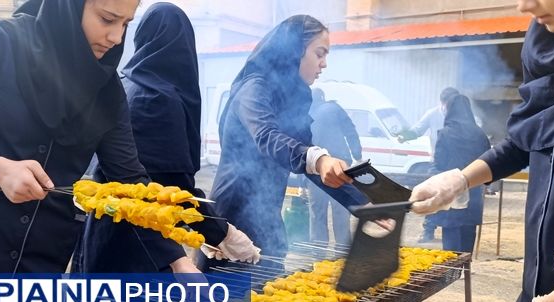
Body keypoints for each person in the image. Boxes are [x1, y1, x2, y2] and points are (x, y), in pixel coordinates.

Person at [0, 0, 149, 302]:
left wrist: (182, 253)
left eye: (126, 24)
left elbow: (131, 182)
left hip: (40, 266)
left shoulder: (106, 89)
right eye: (107, 19)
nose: (116, 38)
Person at [410, 1, 554, 302]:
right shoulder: (543, 46)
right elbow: (524, 139)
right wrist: (460, 179)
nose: (524, 5)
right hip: (541, 291)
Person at [74, 2, 260, 274]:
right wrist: (220, 232)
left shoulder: (125, 85)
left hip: (105, 232)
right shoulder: (157, 99)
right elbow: (166, 187)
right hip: (137, 247)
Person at [205, 15, 367, 273]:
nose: (324, 64)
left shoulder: (291, 99)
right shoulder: (254, 89)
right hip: (231, 224)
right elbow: (267, 136)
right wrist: (319, 159)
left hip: (266, 220)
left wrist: (362, 204)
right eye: (319, 53)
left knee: (265, 299)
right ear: (294, 51)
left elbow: (310, 163)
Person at [427, 94, 490, 252]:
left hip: (451, 190)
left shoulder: (445, 133)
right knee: (468, 232)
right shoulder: (480, 134)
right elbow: (488, 162)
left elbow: (438, 164)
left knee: (451, 232)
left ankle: (453, 271)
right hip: (473, 190)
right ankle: (465, 270)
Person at [398, 87, 460, 243]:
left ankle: (453, 230)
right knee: (433, 195)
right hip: (438, 163)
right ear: (442, 102)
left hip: (457, 164)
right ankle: (428, 231)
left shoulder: (464, 116)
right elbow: (417, 130)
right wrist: (404, 135)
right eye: (447, 103)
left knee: (455, 198)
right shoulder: (433, 114)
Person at [307, 88, 362, 245]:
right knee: (341, 210)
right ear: (323, 97)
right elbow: (351, 131)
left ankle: (319, 251)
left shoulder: (306, 114)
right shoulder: (334, 108)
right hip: (340, 165)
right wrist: (357, 155)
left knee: (318, 213)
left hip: (314, 169)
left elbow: (301, 147)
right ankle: (342, 251)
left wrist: (302, 181)